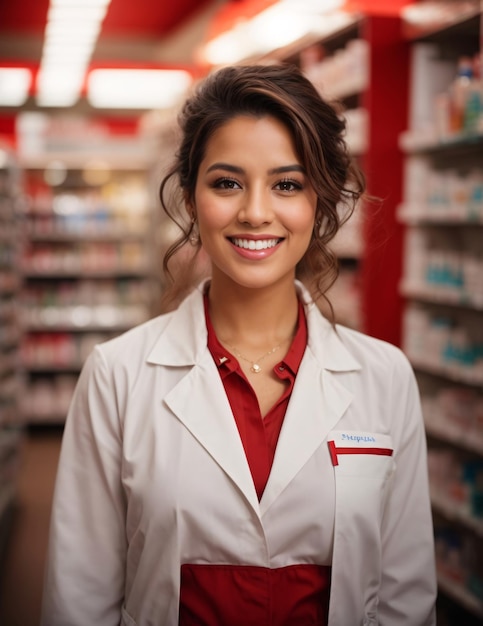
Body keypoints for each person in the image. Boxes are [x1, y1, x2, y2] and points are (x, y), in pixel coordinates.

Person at [41, 64, 437, 626]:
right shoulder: (117, 374)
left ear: (319, 201)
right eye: (227, 182)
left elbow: (406, 594)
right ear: (191, 196)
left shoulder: (384, 376)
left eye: (287, 184)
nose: (255, 211)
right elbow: (79, 597)